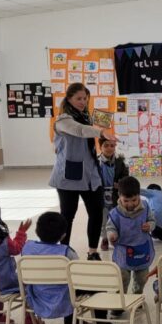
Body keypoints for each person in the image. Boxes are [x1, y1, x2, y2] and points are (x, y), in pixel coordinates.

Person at [49, 83, 117, 261]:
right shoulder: (63, 120)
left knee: (96, 213)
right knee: (67, 216)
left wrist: (103, 130)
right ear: (69, 99)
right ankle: (63, 253)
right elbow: (79, 131)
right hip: (68, 176)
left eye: (85, 98)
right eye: (79, 98)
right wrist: (101, 130)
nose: (83, 102)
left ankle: (93, 252)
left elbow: (87, 129)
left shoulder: (86, 117)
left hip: (90, 174)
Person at [106, 176, 156, 301]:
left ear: (139, 195)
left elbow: (152, 220)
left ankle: (136, 297)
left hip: (142, 249)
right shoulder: (115, 213)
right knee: (122, 277)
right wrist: (112, 235)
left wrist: (150, 225)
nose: (130, 204)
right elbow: (110, 227)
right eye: (126, 200)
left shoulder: (145, 207)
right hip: (123, 250)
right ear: (120, 197)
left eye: (134, 200)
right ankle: (120, 300)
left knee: (142, 278)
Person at [98, 137, 129, 251]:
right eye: (106, 145)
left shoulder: (120, 162)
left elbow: (126, 177)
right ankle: (105, 238)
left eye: (112, 146)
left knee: (117, 217)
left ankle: (118, 238)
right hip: (101, 196)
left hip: (116, 196)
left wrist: (120, 184)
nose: (109, 148)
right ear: (100, 147)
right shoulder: (96, 162)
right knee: (103, 219)